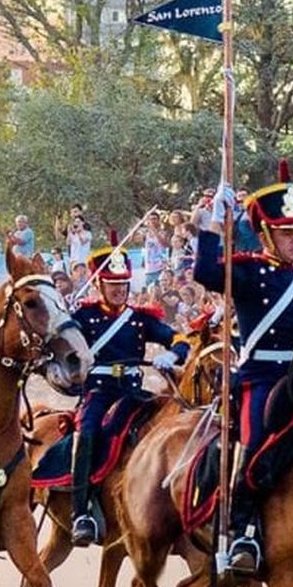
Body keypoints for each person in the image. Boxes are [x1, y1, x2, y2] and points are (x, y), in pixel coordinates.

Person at [195, 161, 293, 576]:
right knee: (255, 445)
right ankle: (243, 530)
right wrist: (211, 227)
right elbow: (205, 271)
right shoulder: (248, 270)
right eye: (288, 233)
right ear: (266, 233)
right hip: (261, 379)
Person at [66, 234, 188, 546]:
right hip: (98, 392)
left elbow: (178, 340)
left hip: (133, 393)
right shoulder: (82, 317)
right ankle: (81, 511)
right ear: (99, 285)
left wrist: (172, 354)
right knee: (88, 432)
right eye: (113, 284)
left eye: (123, 284)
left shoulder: (140, 319)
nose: (120, 289)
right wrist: (63, 323)